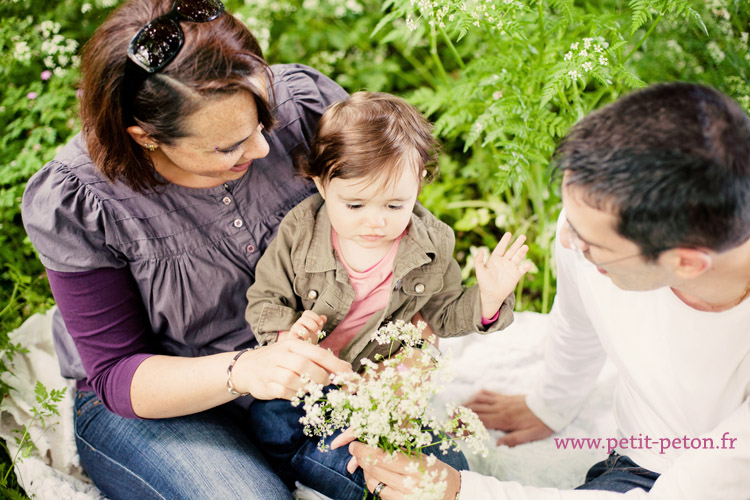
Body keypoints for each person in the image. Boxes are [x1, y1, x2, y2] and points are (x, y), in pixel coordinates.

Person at [338, 82, 750, 499]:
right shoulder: (590, 230)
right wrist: (550, 404)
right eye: (569, 219)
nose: (568, 241)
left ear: (687, 262)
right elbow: (580, 322)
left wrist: (461, 491)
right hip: (638, 458)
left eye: (595, 246)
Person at [20, 0, 358, 498]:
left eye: (264, 119)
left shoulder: (303, 104)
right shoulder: (79, 200)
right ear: (147, 137)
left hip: (303, 374)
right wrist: (247, 370)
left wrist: (411, 336)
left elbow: (394, 225)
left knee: (425, 478)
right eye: (228, 147)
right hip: (157, 405)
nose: (264, 149)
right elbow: (117, 375)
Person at [243, 91, 532, 496]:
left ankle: (383, 472)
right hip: (308, 388)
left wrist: (488, 298)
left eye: (394, 206)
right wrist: (287, 338)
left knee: (445, 468)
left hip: (380, 393)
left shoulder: (431, 243)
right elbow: (265, 299)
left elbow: (441, 313)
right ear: (322, 184)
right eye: (356, 204)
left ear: (420, 184)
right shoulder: (300, 230)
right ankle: (335, 469)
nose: (375, 221)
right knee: (271, 421)